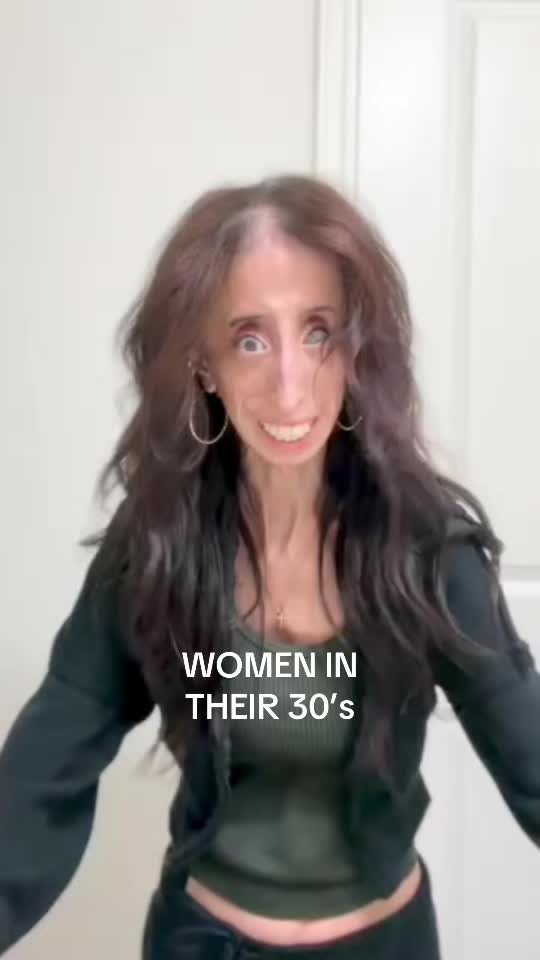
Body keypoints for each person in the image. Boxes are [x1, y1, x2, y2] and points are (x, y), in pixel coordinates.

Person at [1, 174, 539, 960]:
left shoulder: (428, 553)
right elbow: (45, 769)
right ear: (203, 363)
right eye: (250, 340)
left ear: (357, 348)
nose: (290, 386)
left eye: (318, 332)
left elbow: (530, 751)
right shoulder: (156, 547)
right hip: (202, 942)